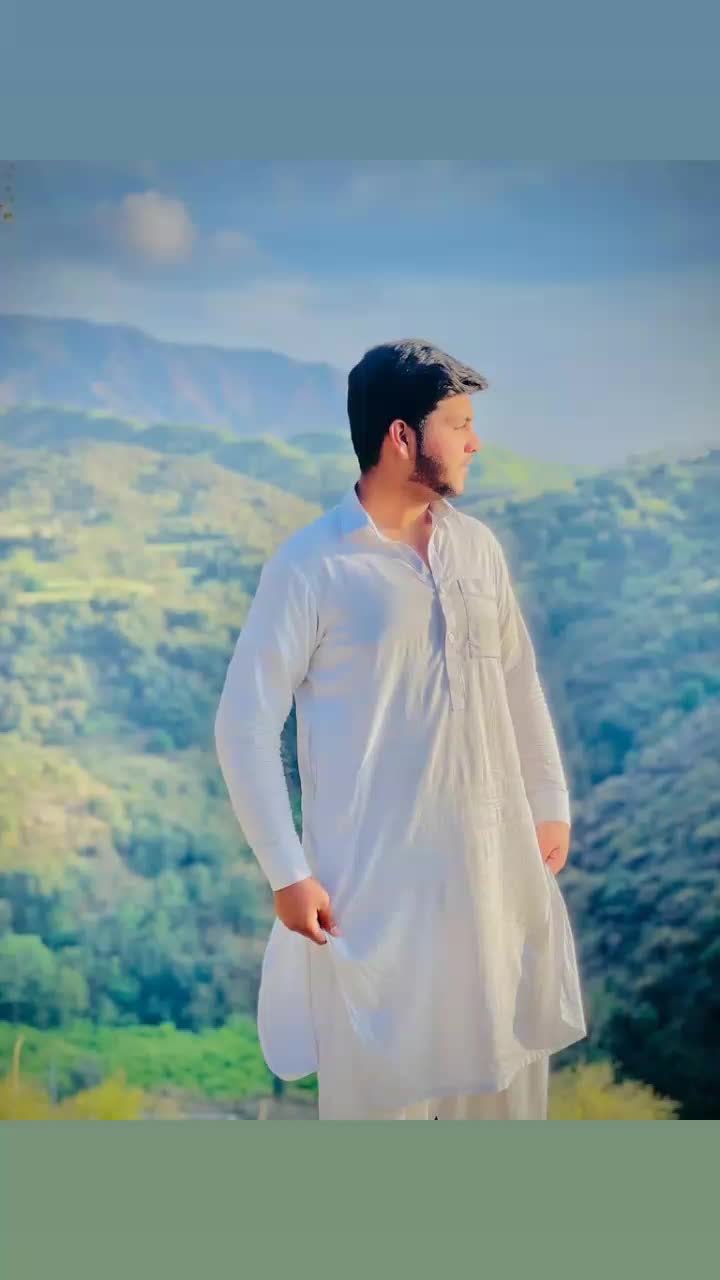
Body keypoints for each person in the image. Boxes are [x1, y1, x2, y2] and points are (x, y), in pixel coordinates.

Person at [214, 339, 587, 1121]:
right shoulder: (312, 566)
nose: (475, 442)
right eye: (459, 424)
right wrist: (287, 873)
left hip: (493, 883)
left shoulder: (476, 548)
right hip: (374, 905)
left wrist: (549, 799)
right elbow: (243, 725)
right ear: (400, 436)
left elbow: (517, 681)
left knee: (504, 1104)